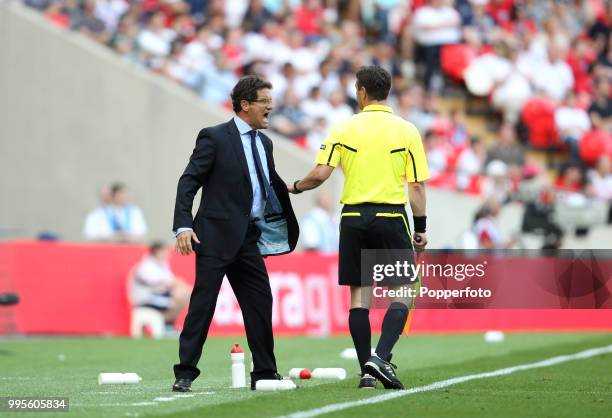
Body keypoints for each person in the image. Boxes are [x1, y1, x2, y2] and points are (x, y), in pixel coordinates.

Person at [287, 65, 429, 390]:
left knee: (359, 297)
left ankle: (367, 372)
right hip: (390, 217)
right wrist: (420, 227)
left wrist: (294, 186)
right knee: (403, 293)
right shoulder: (407, 131)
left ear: (362, 92)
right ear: (387, 92)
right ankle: (380, 357)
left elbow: (320, 174)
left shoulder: (342, 129)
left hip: (352, 218)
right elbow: (417, 186)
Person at [172, 75, 299, 392]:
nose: (271, 107)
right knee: (204, 305)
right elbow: (189, 181)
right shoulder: (214, 137)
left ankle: (265, 374)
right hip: (213, 236)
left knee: (260, 301)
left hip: (248, 239)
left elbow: (267, 185)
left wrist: (297, 187)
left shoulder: (265, 143)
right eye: (265, 102)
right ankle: (185, 373)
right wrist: (183, 224)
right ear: (245, 105)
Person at [129, 242, 191, 332]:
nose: (168, 255)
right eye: (166, 252)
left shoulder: (163, 265)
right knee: (181, 295)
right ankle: (167, 324)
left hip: (157, 297)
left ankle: (167, 324)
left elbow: (170, 282)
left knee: (184, 293)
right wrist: (179, 285)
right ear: (158, 252)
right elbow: (164, 282)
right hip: (146, 300)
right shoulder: (146, 266)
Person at [83, 182, 147, 243]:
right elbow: (90, 236)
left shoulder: (134, 212)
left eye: (125, 194)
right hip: (106, 250)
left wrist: (125, 237)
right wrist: (112, 238)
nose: (124, 197)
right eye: (121, 194)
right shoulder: (97, 214)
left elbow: (141, 233)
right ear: (113, 196)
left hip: (129, 249)